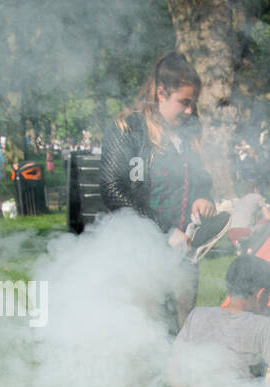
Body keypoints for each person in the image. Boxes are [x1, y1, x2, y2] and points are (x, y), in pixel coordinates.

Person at [100, 51, 220, 333]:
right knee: (147, 332)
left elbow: (199, 178)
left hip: (184, 250)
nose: (190, 111)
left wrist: (204, 199)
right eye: (184, 102)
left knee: (183, 331)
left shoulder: (189, 131)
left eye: (193, 103)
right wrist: (164, 231)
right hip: (139, 251)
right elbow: (114, 191)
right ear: (161, 93)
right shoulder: (129, 130)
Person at [170, 255, 270, 387]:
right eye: (269, 293)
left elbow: (174, 368)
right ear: (260, 293)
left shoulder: (197, 315)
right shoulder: (262, 325)